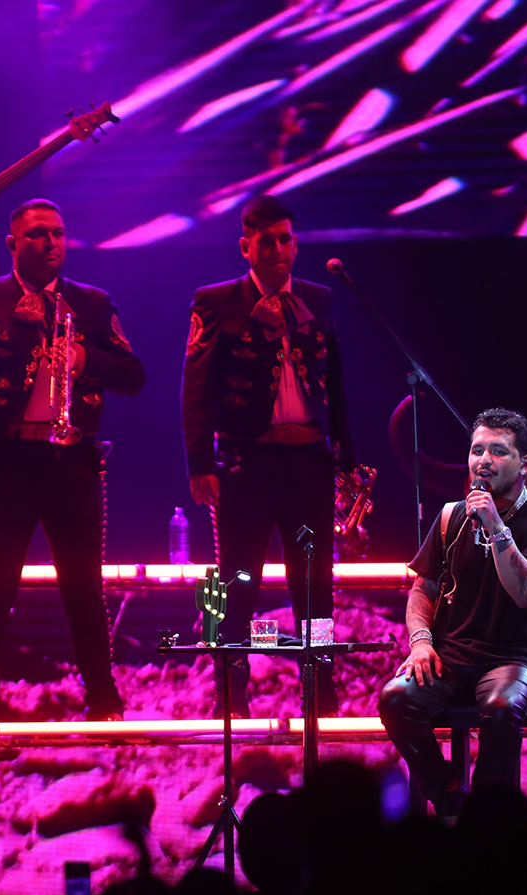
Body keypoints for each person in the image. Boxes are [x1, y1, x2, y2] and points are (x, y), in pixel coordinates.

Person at [0, 200, 143, 720]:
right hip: (7, 461)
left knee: (84, 585)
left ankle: (102, 696)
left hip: (73, 462)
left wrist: (85, 358)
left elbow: (133, 376)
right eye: (36, 234)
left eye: (57, 232)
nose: (50, 242)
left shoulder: (91, 303)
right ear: (12, 244)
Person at [180, 194, 353, 715]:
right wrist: (199, 464)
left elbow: (335, 384)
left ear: (295, 244)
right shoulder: (216, 301)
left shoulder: (319, 299)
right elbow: (195, 387)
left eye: (285, 240)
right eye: (266, 242)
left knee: (315, 583)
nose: (278, 250)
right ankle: (230, 694)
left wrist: (346, 457)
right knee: (237, 580)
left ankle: (320, 689)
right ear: (245, 247)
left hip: (308, 460)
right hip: (245, 462)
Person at [379, 409, 527, 816]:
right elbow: (423, 588)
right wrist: (420, 643)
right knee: (395, 699)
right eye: (477, 450)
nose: (483, 460)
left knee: (501, 709)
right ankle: (450, 798)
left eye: (498, 451)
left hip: (521, 658)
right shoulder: (451, 516)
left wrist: (496, 525)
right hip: (453, 658)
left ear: (524, 463)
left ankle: (489, 818)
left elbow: (526, 594)